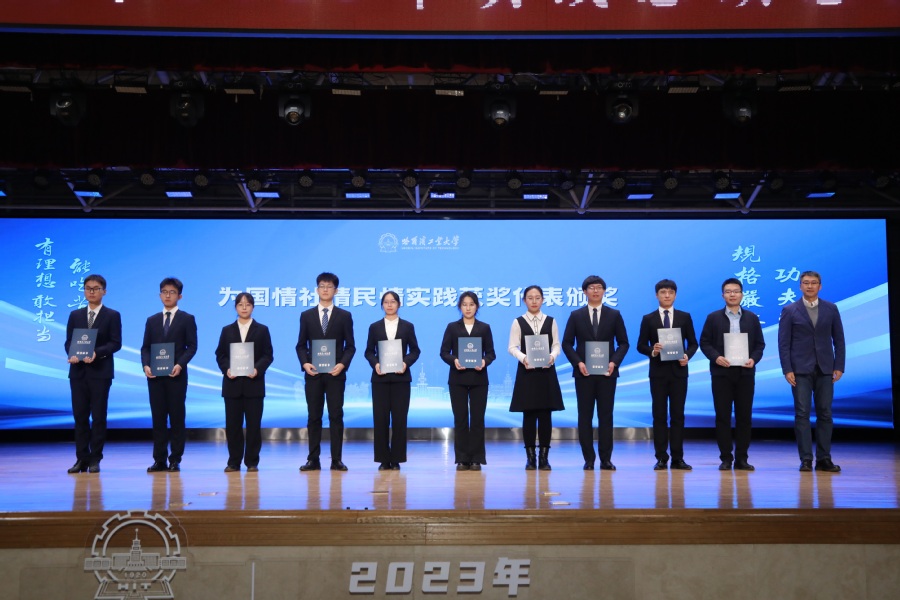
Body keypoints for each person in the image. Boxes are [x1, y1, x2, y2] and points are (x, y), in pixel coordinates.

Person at [777, 270, 845, 473]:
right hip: (800, 370)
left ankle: (824, 459)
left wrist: (839, 365)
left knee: (825, 413)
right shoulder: (790, 310)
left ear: (820, 286)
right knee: (802, 414)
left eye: (813, 283)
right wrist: (787, 369)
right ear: (800, 286)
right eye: (806, 283)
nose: (809, 286)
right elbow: (783, 343)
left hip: (825, 368)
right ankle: (806, 459)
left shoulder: (831, 308)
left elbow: (839, 340)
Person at [562, 275, 629, 471]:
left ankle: (606, 459)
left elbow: (624, 343)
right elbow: (567, 343)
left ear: (604, 291)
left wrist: (614, 362)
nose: (595, 291)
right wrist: (578, 363)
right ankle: (589, 459)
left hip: (607, 374)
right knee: (585, 416)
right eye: (591, 288)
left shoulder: (614, 315)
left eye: (599, 287)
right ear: (584, 292)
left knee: (606, 416)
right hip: (584, 374)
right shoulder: (576, 315)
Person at [699, 278, 765, 471]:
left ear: (742, 294)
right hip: (721, 374)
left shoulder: (751, 318)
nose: (732, 294)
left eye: (736, 291)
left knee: (744, 417)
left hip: (745, 374)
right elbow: (705, 343)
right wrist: (716, 357)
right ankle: (726, 458)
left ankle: (742, 459)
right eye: (728, 291)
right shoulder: (713, 317)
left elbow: (760, 345)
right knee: (723, 417)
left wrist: (753, 359)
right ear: (723, 295)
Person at [636, 279, 699, 471]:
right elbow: (640, 345)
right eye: (663, 292)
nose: (667, 295)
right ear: (657, 295)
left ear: (675, 295)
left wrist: (687, 355)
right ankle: (661, 458)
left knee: (678, 415)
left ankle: (678, 458)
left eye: (671, 292)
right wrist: (653, 350)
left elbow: (693, 343)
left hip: (679, 372)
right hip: (658, 373)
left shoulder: (684, 317)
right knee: (659, 415)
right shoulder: (648, 319)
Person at [296, 272, 356, 472]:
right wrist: (305, 363)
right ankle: (313, 459)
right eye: (322, 286)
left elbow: (350, 346)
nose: (325, 289)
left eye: (329, 286)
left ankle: (336, 459)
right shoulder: (306, 316)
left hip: (335, 375)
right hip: (313, 374)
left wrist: (342, 365)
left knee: (336, 416)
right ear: (317, 289)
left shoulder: (344, 316)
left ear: (336, 291)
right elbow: (300, 345)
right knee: (314, 416)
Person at [64, 274, 122, 474]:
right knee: (80, 417)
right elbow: (69, 342)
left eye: (96, 288)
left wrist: (97, 353)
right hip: (78, 373)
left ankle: (95, 459)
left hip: (100, 373)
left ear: (104, 291)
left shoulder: (112, 315)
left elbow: (116, 343)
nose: (91, 291)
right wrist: (71, 354)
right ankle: (81, 458)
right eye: (88, 288)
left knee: (98, 417)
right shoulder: (75, 315)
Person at [141, 277, 198, 473]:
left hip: (176, 376)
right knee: (158, 418)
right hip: (155, 377)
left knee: (176, 418)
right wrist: (146, 365)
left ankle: (175, 459)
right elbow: (145, 347)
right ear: (159, 295)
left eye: (172, 292)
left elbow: (192, 346)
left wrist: (180, 364)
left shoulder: (187, 319)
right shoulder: (152, 320)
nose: (168, 295)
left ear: (179, 296)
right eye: (164, 292)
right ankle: (159, 460)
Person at [214, 292, 274, 472]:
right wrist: (227, 369)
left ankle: (252, 462)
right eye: (240, 304)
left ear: (253, 307)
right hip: (232, 385)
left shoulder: (262, 330)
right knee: (233, 426)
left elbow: (268, 355)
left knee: (254, 426)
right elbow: (220, 354)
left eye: (248, 304)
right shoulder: (227, 330)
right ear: (236, 307)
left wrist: (257, 369)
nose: (244, 307)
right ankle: (233, 461)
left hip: (254, 385)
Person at [507, 285, 564, 470]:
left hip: (546, 372)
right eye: (530, 298)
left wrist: (552, 357)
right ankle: (530, 458)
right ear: (524, 300)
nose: (534, 301)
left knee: (546, 415)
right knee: (529, 415)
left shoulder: (551, 321)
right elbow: (512, 347)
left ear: (543, 300)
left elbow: (556, 345)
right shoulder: (518, 322)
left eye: (537, 297)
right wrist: (524, 358)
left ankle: (544, 458)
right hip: (527, 372)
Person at [364, 291, 421, 470]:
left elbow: (415, 351)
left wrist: (405, 363)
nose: (389, 305)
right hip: (380, 379)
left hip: (401, 379)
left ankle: (396, 459)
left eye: (393, 301)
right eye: (386, 302)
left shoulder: (407, 326)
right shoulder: (374, 327)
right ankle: (383, 459)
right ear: (382, 305)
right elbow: (369, 351)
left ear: (399, 304)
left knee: (399, 419)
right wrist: (375, 364)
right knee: (380, 419)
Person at [439, 291, 496, 471]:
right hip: (458, 379)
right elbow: (444, 352)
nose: (468, 308)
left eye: (471, 304)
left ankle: (477, 458)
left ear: (476, 306)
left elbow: (491, 353)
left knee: (478, 419)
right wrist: (454, 360)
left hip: (479, 379)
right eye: (464, 304)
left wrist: (484, 361)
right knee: (461, 419)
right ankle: (462, 458)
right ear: (460, 307)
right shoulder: (452, 327)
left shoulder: (484, 328)